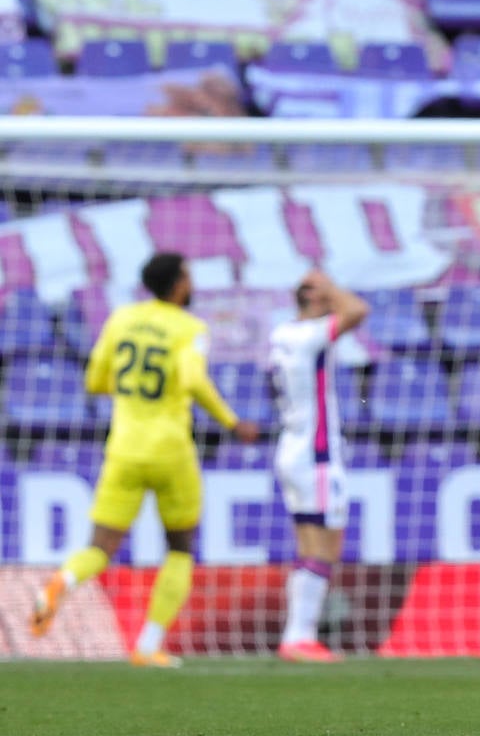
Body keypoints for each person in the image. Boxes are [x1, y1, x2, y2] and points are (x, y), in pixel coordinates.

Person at [31, 252, 260, 667]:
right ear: (177, 285)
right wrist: (231, 421)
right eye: (188, 277)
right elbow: (192, 379)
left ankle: (62, 579)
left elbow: (95, 379)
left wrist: (131, 394)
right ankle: (148, 645)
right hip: (171, 451)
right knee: (180, 549)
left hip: (124, 449)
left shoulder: (122, 319)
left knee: (100, 547)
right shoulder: (190, 327)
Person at [267, 271, 370, 663]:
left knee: (308, 544)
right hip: (317, 454)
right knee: (327, 545)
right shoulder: (309, 337)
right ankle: (300, 637)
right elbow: (358, 309)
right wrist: (329, 287)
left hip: (291, 448)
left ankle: (298, 636)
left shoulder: (281, 335)